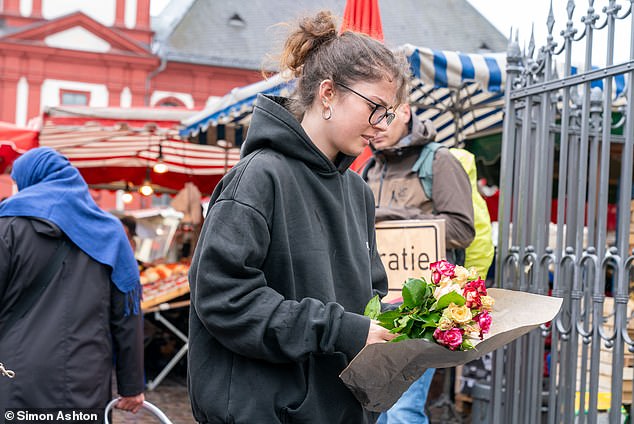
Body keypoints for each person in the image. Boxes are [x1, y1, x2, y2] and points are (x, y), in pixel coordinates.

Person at [187, 10, 409, 424]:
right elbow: (224, 299)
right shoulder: (257, 177)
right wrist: (342, 330)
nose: (382, 125)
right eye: (376, 107)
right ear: (328, 93)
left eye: (390, 113)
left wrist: (418, 323)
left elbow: (369, 298)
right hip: (264, 413)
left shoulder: (358, 191)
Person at [0, 147, 145, 413]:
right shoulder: (111, 232)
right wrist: (132, 385)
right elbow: (127, 314)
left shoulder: (7, 226)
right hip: (86, 380)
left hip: (15, 374)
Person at [364, 103, 475, 424]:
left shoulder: (440, 161)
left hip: (419, 313)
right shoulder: (370, 167)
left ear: (405, 111)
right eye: (371, 115)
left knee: (402, 411)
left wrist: (399, 217)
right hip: (374, 310)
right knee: (374, 410)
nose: (377, 125)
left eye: (385, 114)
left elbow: (462, 230)